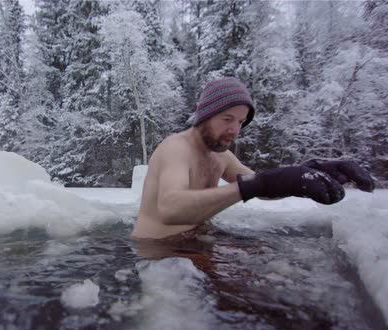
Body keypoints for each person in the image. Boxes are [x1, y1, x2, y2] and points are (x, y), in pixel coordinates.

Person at [132, 77, 375, 240]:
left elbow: (260, 185)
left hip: (196, 243)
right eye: (227, 119)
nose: (235, 130)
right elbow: (170, 209)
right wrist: (254, 185)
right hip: (157, 253)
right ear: (204, 116)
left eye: (240, 122)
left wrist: (302, 175)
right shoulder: (176, 148)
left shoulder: (222, 157)